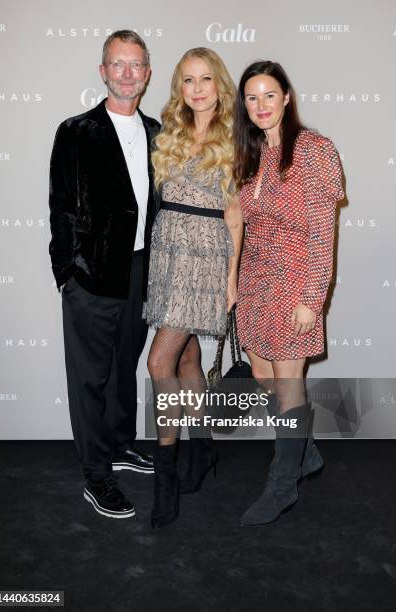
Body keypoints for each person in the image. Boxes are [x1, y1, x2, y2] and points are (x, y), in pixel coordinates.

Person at [48, 30, 160, 519]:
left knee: (123, 369)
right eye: (119, 64)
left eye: (136, 64)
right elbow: (61, 209)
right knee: (90, 379)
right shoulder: (76, 131)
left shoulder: (159, 132)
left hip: (141, 272)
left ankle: (119, 444)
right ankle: (97, 475)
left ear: (148, 73)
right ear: (103, 72)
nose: (128, 73)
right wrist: (67, 276)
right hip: (91, 278)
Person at [233, 61, 344, 525]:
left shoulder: (315, 150)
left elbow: (322, 231)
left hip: (295, 282)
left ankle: (282, 485)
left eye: (269, 95)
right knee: (265, 376)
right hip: (255, 284)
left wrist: (310, 297)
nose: (260, 105)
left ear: (287, 98)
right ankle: (307, 453)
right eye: (252, 97)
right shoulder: (250, 155)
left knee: (289, 382)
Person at [145, 48, 242, 528]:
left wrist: (231, 279)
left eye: (206, 79)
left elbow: (236, 216)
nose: (198, 88)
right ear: (178, 87)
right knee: (185, 358)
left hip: (204, 257)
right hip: (167, 254)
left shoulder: (235, 138)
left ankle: (166, 478)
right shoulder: (171, 134)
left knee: (159, 361)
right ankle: (203, 450)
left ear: (218, 84)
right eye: (188, 80)